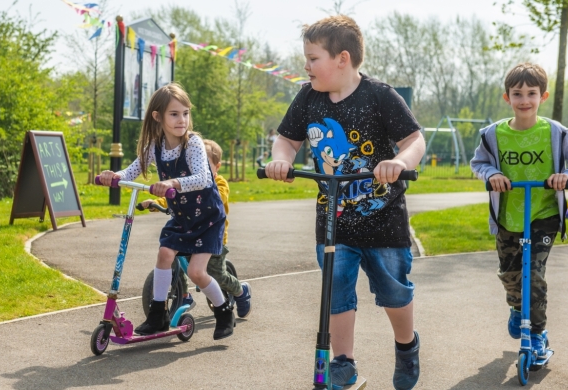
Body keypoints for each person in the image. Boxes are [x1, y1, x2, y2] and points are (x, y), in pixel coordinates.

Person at [263, 15, 425, 390]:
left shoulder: (380, 96)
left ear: (342, 59)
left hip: (383, 219)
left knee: (393, 291)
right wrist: (282, 159)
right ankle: (343, 362)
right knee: (335, 291)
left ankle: (406, 346)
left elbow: (414, 140)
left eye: (313, 57)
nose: (306, 66)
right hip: (334, 219)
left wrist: (400, 163)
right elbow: (286, 140)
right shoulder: (307, 97)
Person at [470, 62, 568, 358]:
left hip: (543, 215)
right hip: (508, 217)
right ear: (506, 98)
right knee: (509, 274)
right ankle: (516, 306)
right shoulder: (492, 134)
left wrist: (567, 177)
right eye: (517, 94)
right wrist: (492, 175)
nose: (524, 100)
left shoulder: (556, 132)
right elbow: (479, 164)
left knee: (533, 274)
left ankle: (536, 335)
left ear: (543, 96)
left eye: (531, 93)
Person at [98, 83, 235, 340]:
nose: (181, 119)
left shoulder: (192, 144)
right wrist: (113, 176)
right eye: (174, 114)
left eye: (185, 113)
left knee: (196, 272)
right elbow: (130, 172)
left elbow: (204, 178)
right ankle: (158, 314)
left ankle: (224, 309)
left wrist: (172, 183)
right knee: (164, 253)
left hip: (206, 217)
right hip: (182, 217)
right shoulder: (154, 147)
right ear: (158, 117)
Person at [141, 139, 253, 318]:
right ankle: (184, 295)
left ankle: (240, 291)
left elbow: (218, 197)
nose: (198, 168)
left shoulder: (220, 183)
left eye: (204, 164)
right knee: (173, 255)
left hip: (211, 237)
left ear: (217, 166)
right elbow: (172, 197)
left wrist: (202, 192)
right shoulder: (187, 181)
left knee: (216, 274)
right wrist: (156, 203)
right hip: (188, 231)